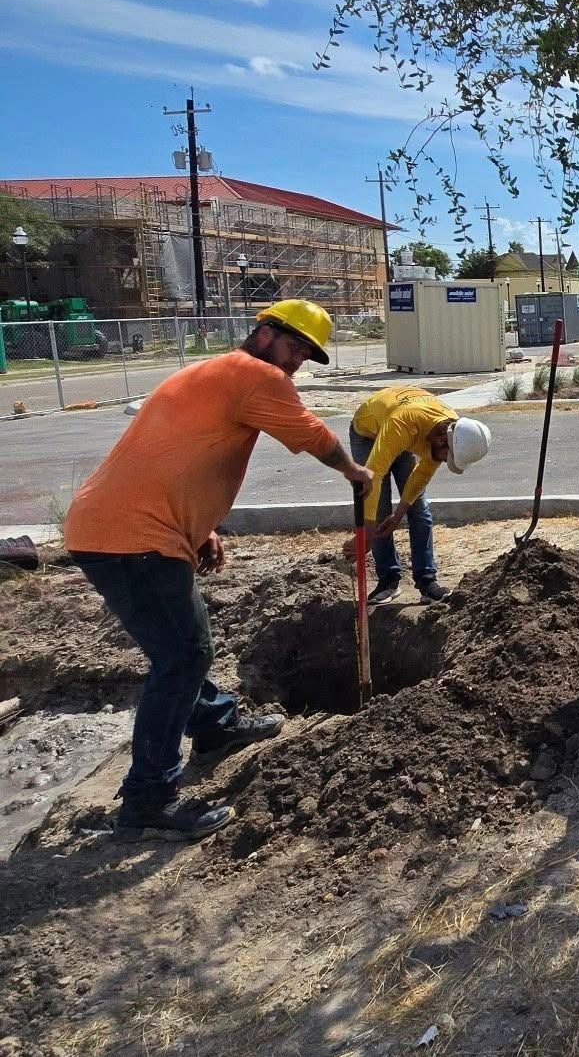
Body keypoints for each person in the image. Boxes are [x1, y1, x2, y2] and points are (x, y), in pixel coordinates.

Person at [64, 301, 373, 839]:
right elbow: (312, 435)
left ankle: (214, 724)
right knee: (184, 654)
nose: (298, 360)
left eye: (307, 353)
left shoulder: (212, 374)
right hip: (132, 538)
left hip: (116, 528)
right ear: (265, 333)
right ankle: (148, 802)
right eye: (295, 346)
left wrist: (199, 526)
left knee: (179, 646)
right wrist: (353, 468)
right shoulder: (257, 375)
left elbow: (172, 452)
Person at [348, 388, 491, 604]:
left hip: (404, 430)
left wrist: (398, 515)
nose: (443, 462)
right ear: (441, 440)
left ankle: (426, 581)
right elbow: (373, 476)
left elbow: (421, 476)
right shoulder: (406, 424)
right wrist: (367, 535)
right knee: (379, 509)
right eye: (446, 458)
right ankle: (388, 580)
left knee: (419, 511)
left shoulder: (451, 431)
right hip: (368, 433)